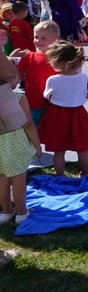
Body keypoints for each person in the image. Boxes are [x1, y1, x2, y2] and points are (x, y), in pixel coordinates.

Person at [38, 41, 88, 176]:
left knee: (59, 149)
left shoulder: (53, 79)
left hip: (58, 115)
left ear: (62, 62)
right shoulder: (83, 77)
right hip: (78, 114)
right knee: (82, 148)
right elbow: (83, 95)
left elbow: (46, 95)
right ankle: (85, 173)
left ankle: (59, 176)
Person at [0, 49, 41, 225]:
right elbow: (29, 124)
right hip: (15, 146)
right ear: (12, 80)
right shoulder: (18, 98)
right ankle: (22, 213)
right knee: (18, 180)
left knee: (1, 180)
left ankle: (6, 212)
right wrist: (37, 144)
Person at [15, 21, 60, 126]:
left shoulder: (59, 58)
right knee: (33, 131)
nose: (38, 41)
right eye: (36, 37)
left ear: (56, 39)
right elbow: (20, 74)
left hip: (55, 104)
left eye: (43, 38)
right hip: (34, 104)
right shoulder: (29, 56)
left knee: (52, 133)